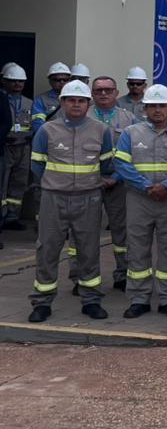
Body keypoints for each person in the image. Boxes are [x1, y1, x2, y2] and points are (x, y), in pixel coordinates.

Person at [26, 80, 114, 322]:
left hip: (89, 198)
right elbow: (36, 165)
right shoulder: (47, 131)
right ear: (62, 103)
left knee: (89, 250)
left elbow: (106, 165)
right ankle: (42, 302)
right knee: (47, 250)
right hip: (53, 198)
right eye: (71, 100)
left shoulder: (101, 131)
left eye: (81, 100)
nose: (76, 104)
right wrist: (56, 183)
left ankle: (91, 300)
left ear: (88, 104)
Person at [113, 84, 167, 318]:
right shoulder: (131, 133)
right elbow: (121, 164)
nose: (157, 110)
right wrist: (146, 186)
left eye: (162, 105)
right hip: (139, 199)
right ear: (144, 108)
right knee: (137, 249)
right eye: (152, 105)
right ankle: (139, 299)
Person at [90, 75, 136, 291]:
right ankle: (82, 276)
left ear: (117, 93)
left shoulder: (129, 119)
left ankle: (122, 274)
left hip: (119, 182)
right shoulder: (84, 115)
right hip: (88, 183)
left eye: (108, 90)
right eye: (99, 90)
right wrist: (95, 178)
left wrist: (116, 177)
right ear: (92, 93)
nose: (103, 94)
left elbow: (134, 152)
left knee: (121, 230)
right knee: (86, 232)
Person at [2, 63, 33, 232]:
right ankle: (2, 216)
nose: (17, 85)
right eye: (13, 81)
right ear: (4, 81)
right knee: (3, 182)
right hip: (6, 147)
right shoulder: (1, 100)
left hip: (24, 146)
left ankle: (13, 217)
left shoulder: (29, 103)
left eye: (20, 82)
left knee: (19, 182)